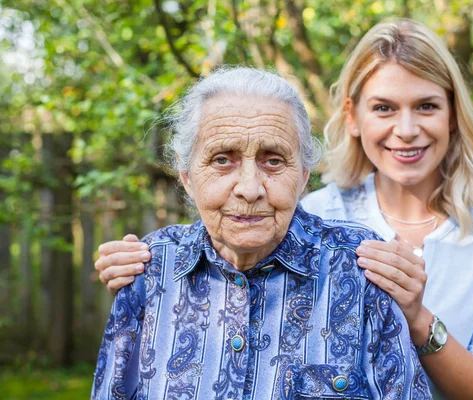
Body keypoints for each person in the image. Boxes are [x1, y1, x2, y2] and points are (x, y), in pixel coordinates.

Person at [95, 19, 473, 400]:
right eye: (383, 107)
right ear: (353, 116)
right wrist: (140, 266)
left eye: (427, 106)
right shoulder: (299, 210)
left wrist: (416, 316)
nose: (407, 129)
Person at [91, 67, 431, 399]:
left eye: (273, 161)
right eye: (223, 160)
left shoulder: (360, 265)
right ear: (187, 177)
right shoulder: (150, 269)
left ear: (302, 176)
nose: (250, 189)